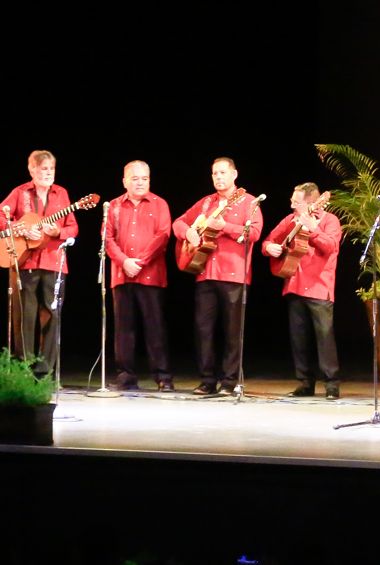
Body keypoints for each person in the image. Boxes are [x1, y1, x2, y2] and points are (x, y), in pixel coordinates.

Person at [173, 157, 264, 395]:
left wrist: (225, 226)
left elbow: (254, 233)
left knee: (233, 332)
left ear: (235, 174)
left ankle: (229, 382)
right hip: (205, 273)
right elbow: (178, 223)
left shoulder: (248, 201)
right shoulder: (206, 202)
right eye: (215, 173)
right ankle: (207, 380)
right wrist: (188, 232)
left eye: (223, 172)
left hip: (234, 275)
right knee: (203, 330)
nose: (219, 177)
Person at [1, 151, 80, 378]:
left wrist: (58, 231)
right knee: (24, 317)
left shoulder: (61, 194)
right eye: (44, 168)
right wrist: (21, 228)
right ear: (32, 170)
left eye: (51, 169)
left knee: (52, 315)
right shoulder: (20, 192)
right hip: (24, 261)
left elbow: (73, 228)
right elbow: (1, 217)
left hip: (54, 261)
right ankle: (23, 370)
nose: (48, 173)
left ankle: (44, 373)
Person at [263, 182, 341, 399]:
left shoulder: (329, 221)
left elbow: (331, 247)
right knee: (299, 338)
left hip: (319, 286)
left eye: (296, 202)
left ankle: (332, 384)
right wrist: (269, 247)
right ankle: (305, 383)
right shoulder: (290, 221)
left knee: (325, 337)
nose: (291, 204)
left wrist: (313, 229)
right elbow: (268, 240)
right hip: (294, 284)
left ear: (310, 203)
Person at [103, 160, 173, 391]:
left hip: (150, 275)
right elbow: (107, 238)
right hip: (122, 274)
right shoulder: (113, 206)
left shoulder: (159, 204)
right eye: (135, 179)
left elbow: (163, 235)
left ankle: (163, 376)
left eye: (145, 178)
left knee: (155, 327)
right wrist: (124, 261)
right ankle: (125, 376)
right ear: (124, 181)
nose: (140, 182)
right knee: (123, 329)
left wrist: (140, 262)